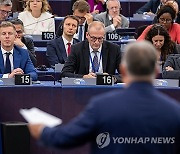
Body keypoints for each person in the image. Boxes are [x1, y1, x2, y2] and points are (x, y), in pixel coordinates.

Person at [28, 41, 180, 154]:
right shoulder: (174, 111)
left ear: (123, 69)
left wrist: (42, 131)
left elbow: (66, 138)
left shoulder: (102, 106)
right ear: (155, 70)